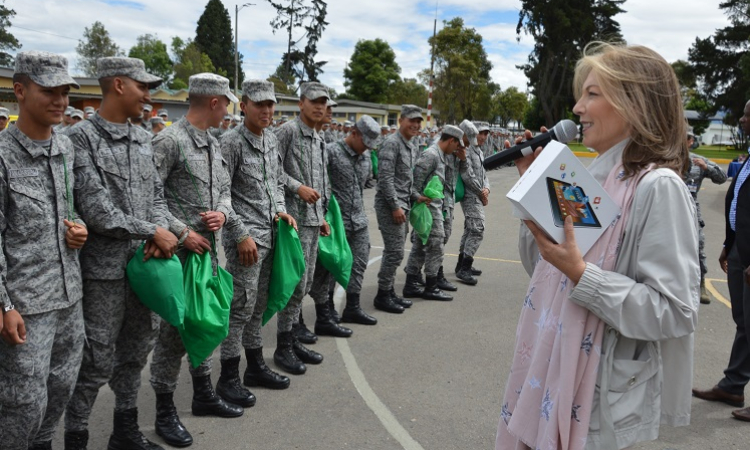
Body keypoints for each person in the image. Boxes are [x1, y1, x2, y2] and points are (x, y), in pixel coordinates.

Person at [496, 43, 699, 450]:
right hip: (551, 372)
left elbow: (674, 311)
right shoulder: (593, 178)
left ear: (634, 103)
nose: (577, 108)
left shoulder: (659, 187)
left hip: (596, 395)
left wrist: (582, 275)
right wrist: (535, 196)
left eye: (592, 94)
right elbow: (545, 266)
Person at [65, 56, 177, 450]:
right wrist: (153, 230)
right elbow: (98, 213)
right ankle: (76, 435)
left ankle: (124, 431)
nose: (148, 95)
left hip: (145, 268)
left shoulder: (143, 137)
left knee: (136, 350)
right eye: (141, 86)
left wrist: (160, 229)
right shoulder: (80, 139)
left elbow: (158, 197)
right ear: (117, 85)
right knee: (95, 359)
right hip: (104, 273)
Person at [149, 73, 244, 448]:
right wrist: (183, 232)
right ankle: (164, 411)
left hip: (206, 255)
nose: (228, 112)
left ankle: (203, 393)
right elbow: (149, 196)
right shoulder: (169, 140)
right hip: (177, 256)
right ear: (215, 102)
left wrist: (221, 213)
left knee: (202, 322)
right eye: (228, 104)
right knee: (173, 335)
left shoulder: (211, 142)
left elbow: (224, 189)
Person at [0, 50, 88, 450]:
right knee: (21, 405)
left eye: (65, 91)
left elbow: (70, 210)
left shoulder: (65, 148)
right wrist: (3, 305)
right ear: (20, 91)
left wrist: (78, 230)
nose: (60, 100)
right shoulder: (2, 155)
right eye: (48, 90)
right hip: (25, 306)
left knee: (59, 393)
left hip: (69, 297)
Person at [219, 79, 297, 402]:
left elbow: (277, 182)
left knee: (258, 305)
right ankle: (227, 376)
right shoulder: (231, 142)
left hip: (270, 235)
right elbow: (221, 195)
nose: (267, 111)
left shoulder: (270, 141)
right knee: (240, 307)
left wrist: (280, 210)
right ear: (244, 105)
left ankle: (254, 365)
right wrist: (240, 234)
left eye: (271, 105)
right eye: (260, 104)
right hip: (245, 242)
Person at [692, 99, 750, 422]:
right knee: (745, 322)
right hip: (741, 249)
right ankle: (733, 385)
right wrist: (729, 244)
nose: (741, 119)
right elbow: (740, 202)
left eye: (746, 114)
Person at [274, 81, 331, 374]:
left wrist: (321, 216)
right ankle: (283, 346)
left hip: (311, 222)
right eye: (314, 101)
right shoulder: (287, 132)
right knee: (293, 285)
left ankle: (292, 337)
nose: (319, 106)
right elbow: (269, 170)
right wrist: (297, 188)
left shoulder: (319, 138)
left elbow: (319, 183)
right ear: (301, 103)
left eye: (323, 102)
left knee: (304, 285)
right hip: (291, 222)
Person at [308, 115, 381, 328]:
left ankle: (353, 307)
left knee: (358, 264)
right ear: (354, 133)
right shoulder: (330, 152)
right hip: (335, 222)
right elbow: (319, 183)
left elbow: (361, 188)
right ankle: (326, 310)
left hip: (358, 219)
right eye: (365, 142)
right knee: (330, 267)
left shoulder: (366, 158)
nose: (366, 148)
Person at [403, 125, 465, 302]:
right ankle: (431, 286)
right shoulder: (431, 155)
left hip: (436, 206)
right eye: (456, 145)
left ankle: (411, 283)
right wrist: (418, 197)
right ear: (451, 140)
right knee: (435, 244)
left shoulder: (442, 156)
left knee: (421, 246)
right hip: (428, 208)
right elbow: (413, 183)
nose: (456, 149)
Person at [373, 105, 424, 313]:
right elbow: (385, 179)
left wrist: (416, 196)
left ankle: (390, 291)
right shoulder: (391, 143)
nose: (416, 125)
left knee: (396, 252)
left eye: (419, 121)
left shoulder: (411, 145)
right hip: (390, 206)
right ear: (401, 120)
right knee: (394, 252)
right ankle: (382, 295)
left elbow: (406, 179)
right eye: (412, 120)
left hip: (405, 204)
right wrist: (395, 206)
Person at [682, 132, 727, 304]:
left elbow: (722, 178)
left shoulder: (698, 160)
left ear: (690, 141)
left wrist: (706, 168)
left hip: (691, 208)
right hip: (667, 207)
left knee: (698, 246)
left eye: (685, 138)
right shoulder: (667, 158)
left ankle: (701, 284)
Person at [456, 120, 490, 285]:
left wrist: (487, 189)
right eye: (480, 133)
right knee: (477, 229)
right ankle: (464, 269)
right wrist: (480, 192)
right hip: (470, 195)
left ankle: (461, 264)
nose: (483, 137)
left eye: (485, 133)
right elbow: (467, 174)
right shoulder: (466, 150)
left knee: (470, 229)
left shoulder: (478, 151)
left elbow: (484, 174)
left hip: (478, 194)